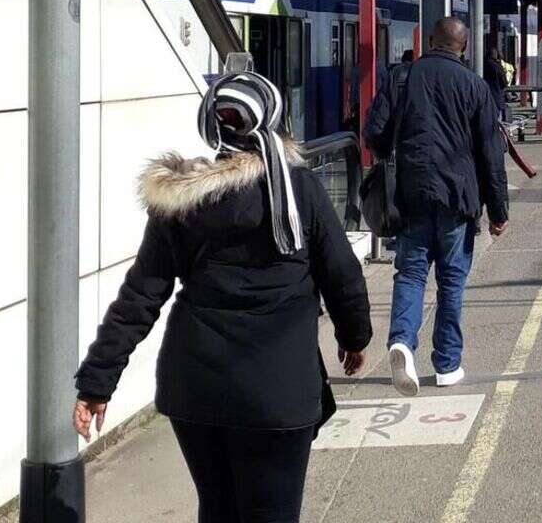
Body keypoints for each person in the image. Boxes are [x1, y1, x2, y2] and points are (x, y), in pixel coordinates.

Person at [74, 72, 372, 523]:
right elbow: (343, 275)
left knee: (217, 509)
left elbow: (142, 292)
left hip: (196, 388)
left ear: (213, 127)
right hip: (279, 391)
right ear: (273, 119)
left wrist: (98, 380)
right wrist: (354, 337)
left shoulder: (182, 198)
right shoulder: (298, 190)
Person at [365, 17, 510, 396]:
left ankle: (401, 342)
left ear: (429, 41)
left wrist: (395, 150)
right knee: (451, 283)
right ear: (463, 48)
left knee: (411, 275)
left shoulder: (401, 77)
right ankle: (447, 364)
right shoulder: (475, 87)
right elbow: (490, 156)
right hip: (458, 199)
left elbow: (374, 135)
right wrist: (498, 212)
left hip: (410, 196)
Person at [483, 44, 509, 125]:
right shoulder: (497, 66)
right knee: (498, 122)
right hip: (497, 96)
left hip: (484, 97)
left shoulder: (482, 65)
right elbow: (504, 82)